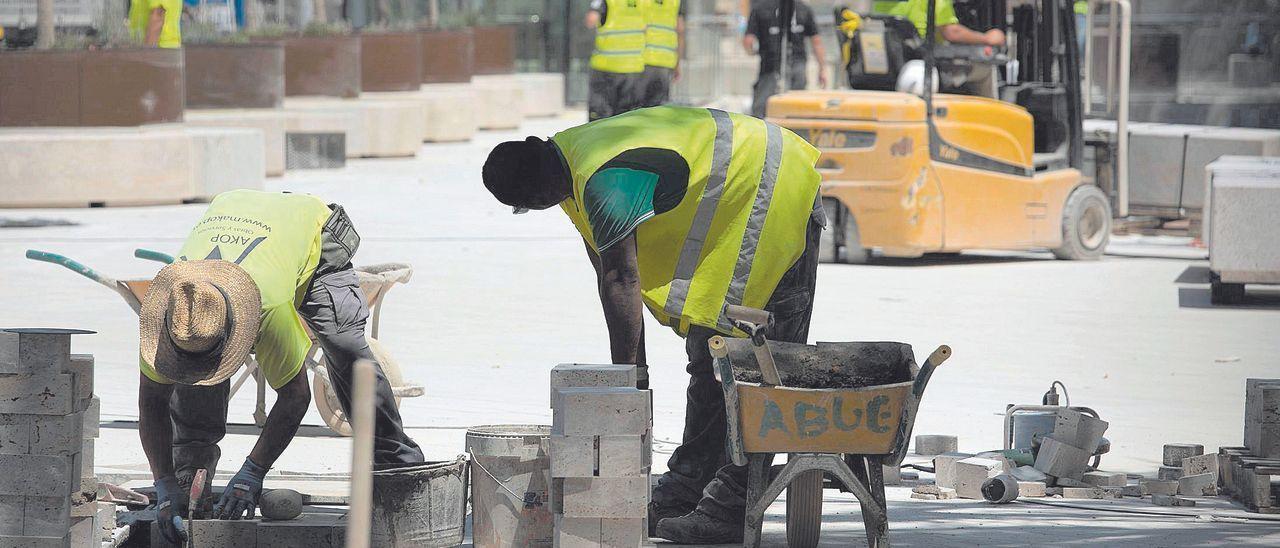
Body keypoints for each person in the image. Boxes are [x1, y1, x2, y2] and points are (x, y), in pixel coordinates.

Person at [481, 106, 825, 544]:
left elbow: (620, 278)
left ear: (536, 195)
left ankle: (732, 507)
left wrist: (630, 381)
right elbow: (607, 270)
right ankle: (689, 488)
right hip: (742, 195)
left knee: (758, 366)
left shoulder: (603, 182)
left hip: (776, 188)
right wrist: (634, 374)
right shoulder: (567, 159)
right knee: (712, 355)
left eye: (527, 207)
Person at [138, 190, 424, 545]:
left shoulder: (268, 307)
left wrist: (252, 472)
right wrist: (163, 484)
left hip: (317, 233)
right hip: (237, 209)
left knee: (344, 346)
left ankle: (398, 466)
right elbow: (150, 404)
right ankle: (191, 481)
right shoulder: (174, 310)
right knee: (196, 372)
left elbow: (294, 398)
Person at [889, 0, 1005, 96]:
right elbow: (951, 32)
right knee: (985, 69)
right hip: (926, 63)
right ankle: (989, 119)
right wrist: (987, 38)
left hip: (894, 64)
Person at [744, 0, 828, 118]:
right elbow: (816, 42)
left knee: (762, 112)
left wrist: (754, 52)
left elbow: (748, 42)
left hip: (770, 65)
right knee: (796, 110)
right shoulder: (803, 9)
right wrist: (822, 69)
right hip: (797, 65)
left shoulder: (759, 8)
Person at [586, 0, 647, 120]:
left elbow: (591, 20)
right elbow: (646, 28)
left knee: (599, 119)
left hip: (606, 67)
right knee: (624, 118)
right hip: (632, 67)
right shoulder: (642, 3)